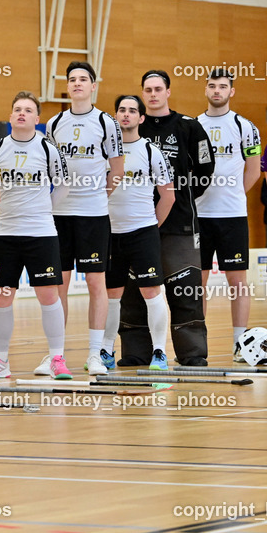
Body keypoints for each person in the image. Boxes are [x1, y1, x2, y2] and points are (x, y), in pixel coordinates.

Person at [119, 70, 214, 366]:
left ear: (168, 92)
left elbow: (205, 170)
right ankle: (136, 352)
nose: (153, 94)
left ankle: (192, 353)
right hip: (136, 224)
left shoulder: (189, 126)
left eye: (158, 89)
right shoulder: (132, 125)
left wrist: (181, 197)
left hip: (180, 224)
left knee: (186, 289)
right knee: (134, 291)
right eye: (147, 89)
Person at [43, 61, 123, 376]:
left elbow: (117, 169)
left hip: (93, 216)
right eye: (72, 79)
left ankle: (95, 353)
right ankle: (56, 356)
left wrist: (98, 196)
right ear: (67, 86)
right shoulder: (54, 123)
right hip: (60, 216)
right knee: (58, 285)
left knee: (95, 282)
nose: (77, 83)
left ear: (93, 86)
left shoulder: (107, 122)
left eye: (83, 79)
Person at [0, 91, 71, 380]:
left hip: (41, 234)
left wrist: (43, 212)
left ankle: (57, 358)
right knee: (1, 297)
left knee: (48, 295)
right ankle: (1, 360)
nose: (22, 113)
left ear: (37, 118)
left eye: (28, 110)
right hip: (5, 234)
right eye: (18, 109)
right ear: (10, 116)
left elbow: (63, 186)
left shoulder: (48, 149)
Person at [103, 96, 174, 369]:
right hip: (109, 233)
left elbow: (168, 196)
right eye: (121, 110)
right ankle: (105, 351)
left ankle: (159, 352)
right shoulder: (104, 151)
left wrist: (151, 227)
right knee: (111, 295)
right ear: (115, 116)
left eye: (132, 111)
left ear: (141, 118)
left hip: (143, 232)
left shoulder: (151, 151)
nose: (126, 114)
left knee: (152, 291)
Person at [196, 69, 262, 360]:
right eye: (212, 86)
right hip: (199, 216)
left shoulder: (246, 127)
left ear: (231, 91)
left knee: (238, 283)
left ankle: (240, 345)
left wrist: (233, 194)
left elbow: (254, 170)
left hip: (233, 217)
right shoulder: (193, 125)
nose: (217, 91)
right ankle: (196, 345)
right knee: (197, 284)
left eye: (223, 86)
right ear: (206, 90)